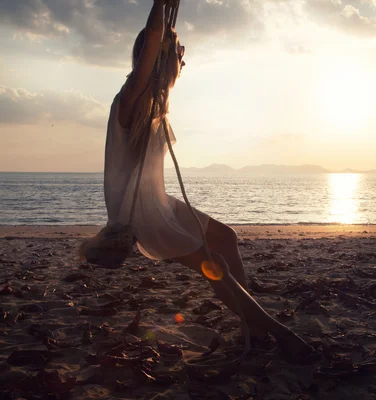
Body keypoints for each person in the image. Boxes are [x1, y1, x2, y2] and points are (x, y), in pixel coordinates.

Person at [103, 0, 314, 360]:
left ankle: (251, 325)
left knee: (226, 238)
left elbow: (156, 46)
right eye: (180, 52)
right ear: (158, 57)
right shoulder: (130, 99)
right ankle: (275, 331)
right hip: (140, 214)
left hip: (160, 205)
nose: (184, 61)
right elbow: (154, 38)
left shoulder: (155, 106)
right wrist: (159, 6)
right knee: (213, 262)